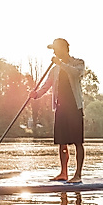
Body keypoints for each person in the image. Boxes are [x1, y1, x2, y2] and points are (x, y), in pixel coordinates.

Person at [30, 38, 85, 183]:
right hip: (60, 108)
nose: (54, 52)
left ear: (63, 49)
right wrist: (36, 95)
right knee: (62, 142)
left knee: (78, 142)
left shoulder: (78, 63)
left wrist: (61, 63)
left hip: (75, 107)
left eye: (55, 49)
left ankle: (78, 175)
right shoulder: (55, 69)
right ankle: (63, 173)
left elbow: (75, 74)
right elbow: (47, 85)